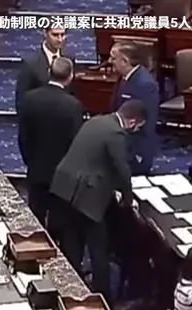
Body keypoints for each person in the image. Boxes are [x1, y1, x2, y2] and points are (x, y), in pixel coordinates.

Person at [49, 100, 143, 299]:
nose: (136, 132)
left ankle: (69, 292)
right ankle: (103, 298)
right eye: (138, 127)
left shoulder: (95, 121)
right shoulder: (116, 133)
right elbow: (122, 169)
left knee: (72, 243)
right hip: (87, 196)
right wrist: (128, 200)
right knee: (98, 248)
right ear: (132, 122)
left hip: (64, 188)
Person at [17, 56, 84, 230]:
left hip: (36, 168)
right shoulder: (73, 106)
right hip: (62, 174)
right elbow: (75, 142)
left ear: (49, 72)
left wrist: (30, 161)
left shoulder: (29, 99)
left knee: (36, 218)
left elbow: (23, 136)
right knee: (60, 220)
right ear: (70, 76)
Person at [110, 42, 159, 174]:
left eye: (113, 58)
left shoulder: (145, 84)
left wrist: (137, 154)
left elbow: (146, 122)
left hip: (136, 149)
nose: (110, 61)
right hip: (122, 142)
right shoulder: (124, 77)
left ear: (125, 61)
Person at [15, 25, 68, 109]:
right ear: (45, 34)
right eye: (55, 35)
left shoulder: (69, 58)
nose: (60, 39)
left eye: (62, 35)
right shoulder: (30, 62)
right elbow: (21, 99)